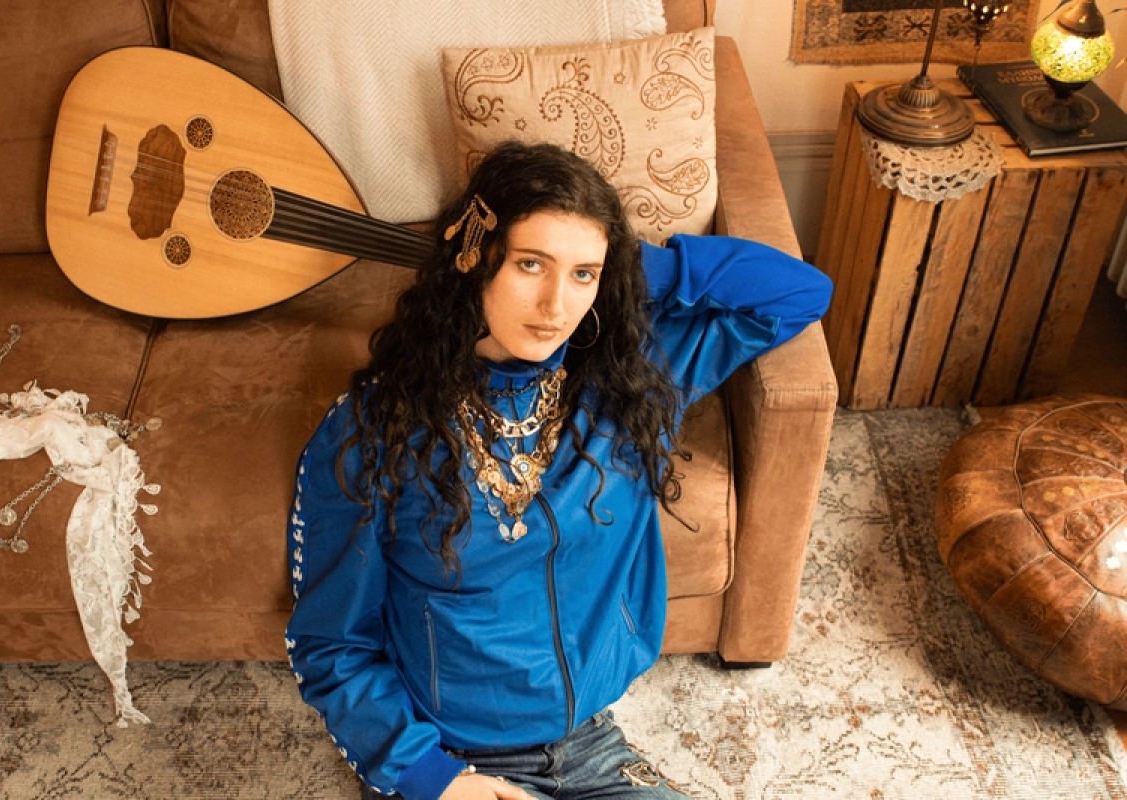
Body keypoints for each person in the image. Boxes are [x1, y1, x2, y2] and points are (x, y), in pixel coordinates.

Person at [286, 140, 832, 800]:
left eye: (582, 275)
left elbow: (802, 292)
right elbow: (330, 646)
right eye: (530, 265)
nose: (555, 305)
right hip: (449, 758)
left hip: (589, 743)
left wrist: (632, 266)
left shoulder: (632, 381)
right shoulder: (373, 431)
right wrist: (434, 778)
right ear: (475, 260)